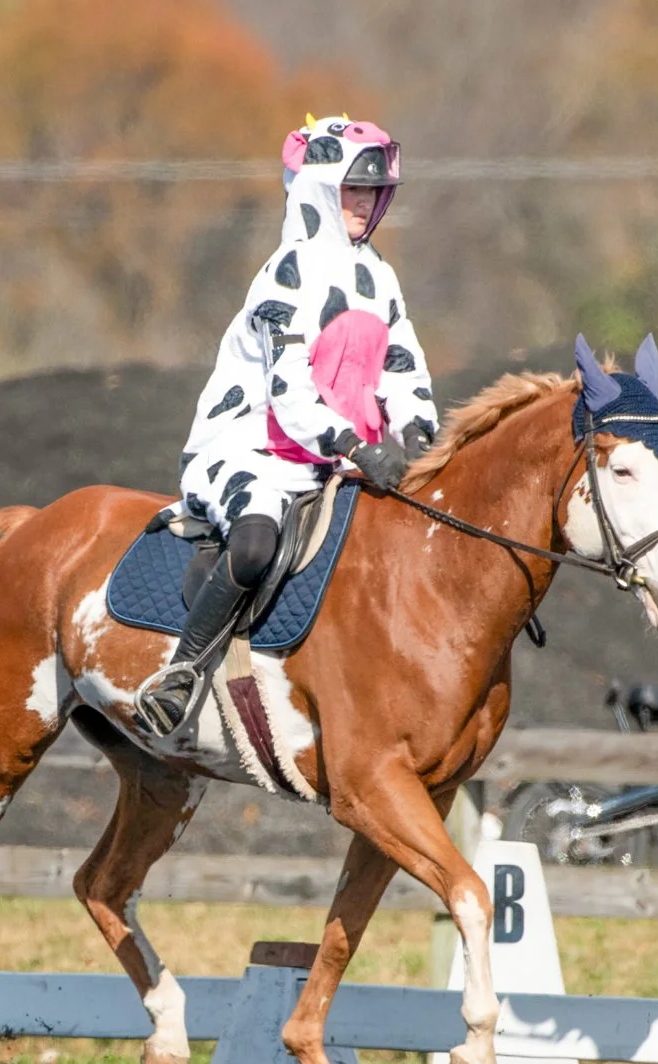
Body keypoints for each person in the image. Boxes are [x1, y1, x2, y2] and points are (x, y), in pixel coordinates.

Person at [135, 113, 438, 736]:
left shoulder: (380, 276)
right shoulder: (286, 272)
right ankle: (182, 675)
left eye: (375, 192)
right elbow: (288, 391)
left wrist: (416, 435)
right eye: (354, 189)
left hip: (335, 457)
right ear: (321, 191)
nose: (367, 203)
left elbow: (404, 369)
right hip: (253, 448)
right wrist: (357, 443)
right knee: (253, 543)